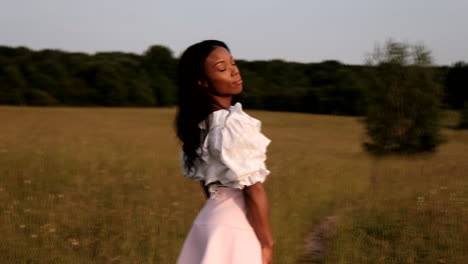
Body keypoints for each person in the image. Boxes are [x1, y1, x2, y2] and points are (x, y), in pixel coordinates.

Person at [175, 40, 274, 264]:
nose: (234, 70)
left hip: (208, 220)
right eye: (222, 68)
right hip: (235, 227)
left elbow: (207, 186)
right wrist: (267, 244)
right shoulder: (232, 123)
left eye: (233, 63)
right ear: (202, 82)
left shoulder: (201, 126)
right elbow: (253, 189)